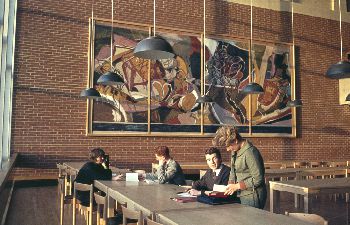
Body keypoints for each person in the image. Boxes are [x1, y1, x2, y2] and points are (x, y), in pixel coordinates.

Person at [212, 126, 267, 209]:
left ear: (235, 140)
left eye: (228, 146)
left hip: (253, 196)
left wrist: (237, 186)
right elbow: (233, 171)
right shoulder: (235, 150)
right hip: (242, 194)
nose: (227, 149)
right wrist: (230, 184)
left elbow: (258, 178)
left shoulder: (250, 152)